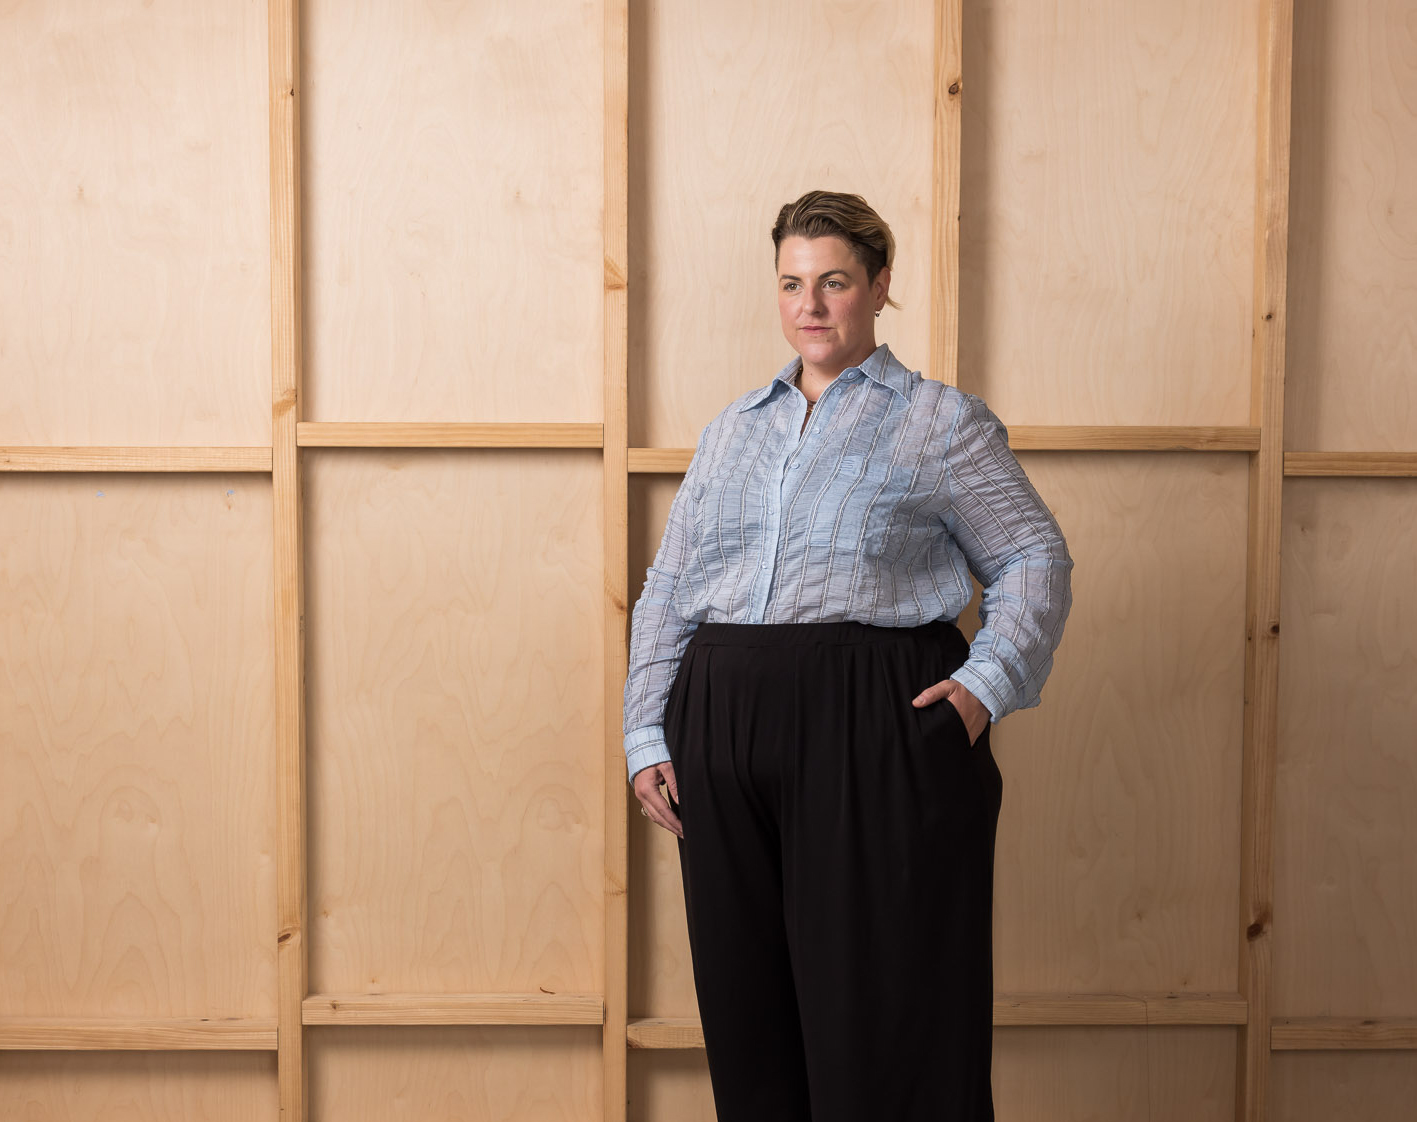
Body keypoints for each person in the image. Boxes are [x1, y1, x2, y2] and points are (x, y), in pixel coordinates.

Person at [622, 189, 1073, 1121]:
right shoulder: (733, 429)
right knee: (749, 1011)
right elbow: (670, 586)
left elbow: (1033, 556)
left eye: (833, 282)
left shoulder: (937, 423)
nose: (810, 305)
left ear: (878, 288)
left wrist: (983, 688)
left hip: (875, 727)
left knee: (886, 1009)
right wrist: (643, 733)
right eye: (792, 284)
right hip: (724, 727)